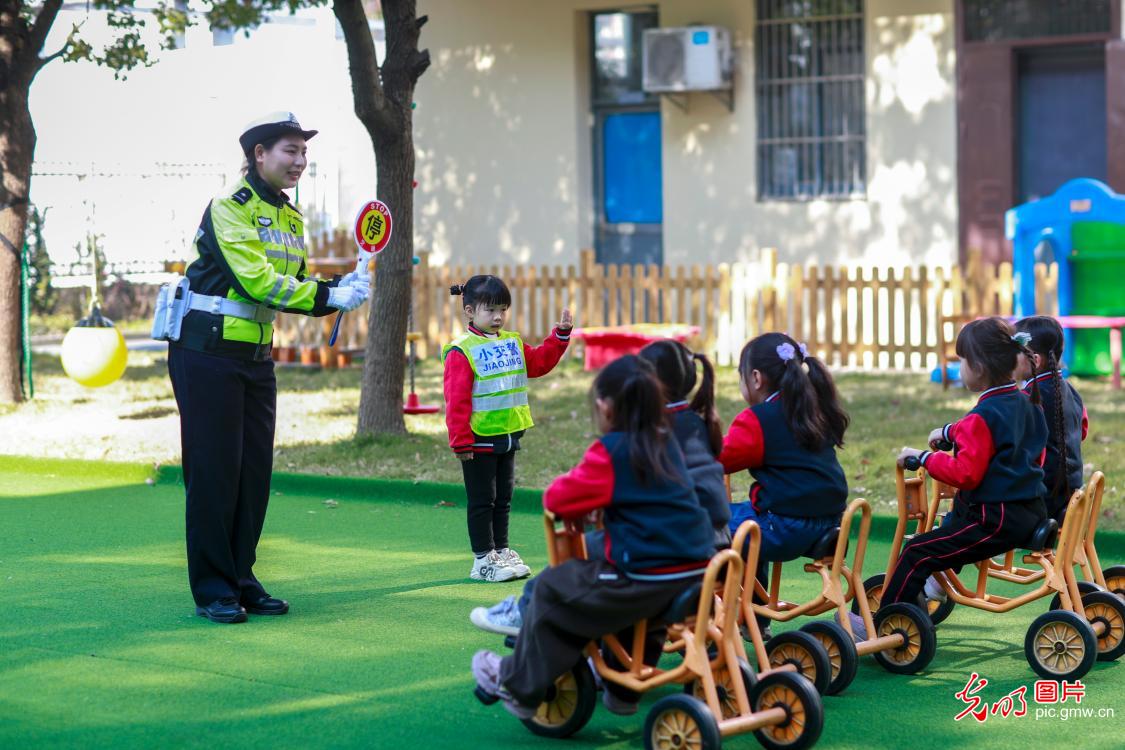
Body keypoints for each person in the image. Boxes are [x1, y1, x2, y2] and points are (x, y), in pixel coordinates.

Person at [167, 112, 371, 624]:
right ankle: (213, 588)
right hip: (205, 352)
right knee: (215, 473)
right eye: (290, 151)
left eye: (304, 153)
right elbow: (258, 283)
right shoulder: (228, 209)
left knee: (253, 475)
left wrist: (343, 284)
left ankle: (241, 577)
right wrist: (329, 295)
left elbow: (295, 281)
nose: (300, 161)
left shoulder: (290, 218)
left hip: (255, 357)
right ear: (259, 154)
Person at [471, 355, 715, 719]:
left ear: (605, 407)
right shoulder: (667, 442)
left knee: (554, 587)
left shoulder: (612, 451)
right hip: (694, 573)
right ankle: (622, 692)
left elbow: (558, 498)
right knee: (644, 616)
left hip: (642, 575)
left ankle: (515, 681)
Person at [889, 318, 1048, 627]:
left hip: (995, 521)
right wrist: (950, 431)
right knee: (954, 522)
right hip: (1031, 511)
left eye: (961, 360)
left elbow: (965, 475)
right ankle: (933, 587)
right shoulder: (1030, 404)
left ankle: (885, 621)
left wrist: (924, 458)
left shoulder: (983, 415)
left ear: (977, 367)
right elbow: (1036, 458)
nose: (959, 367)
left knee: (916, 551)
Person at [719, 332, 850, 639]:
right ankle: (756, 618)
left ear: (755, 378)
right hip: (830, 526)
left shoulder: (758, 420)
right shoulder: (814, 407)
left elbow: (720, 458)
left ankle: (724, 616)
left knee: (712, 524)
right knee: (750, 519)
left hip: (784, 529)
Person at [442, 275, 572, 582]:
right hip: (478, 442)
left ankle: (500, 550)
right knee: (481, 501)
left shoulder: (512, 342)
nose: (498, 316)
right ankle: (482, 559)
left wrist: (560, 337)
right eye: (490, 310)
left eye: (503, 309)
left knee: (503, 500)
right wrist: (461, 442)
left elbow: (539, 363)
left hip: (510, 437)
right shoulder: (461, 350)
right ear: (470, 311)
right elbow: (456, 400)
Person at [1015, 315, 1088, 522]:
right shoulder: (1073, 393)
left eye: (1012, 354)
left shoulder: (1027, 398)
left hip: (1039, 502)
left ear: (1035, 361)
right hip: (1070, 498)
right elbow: (1081, 433)